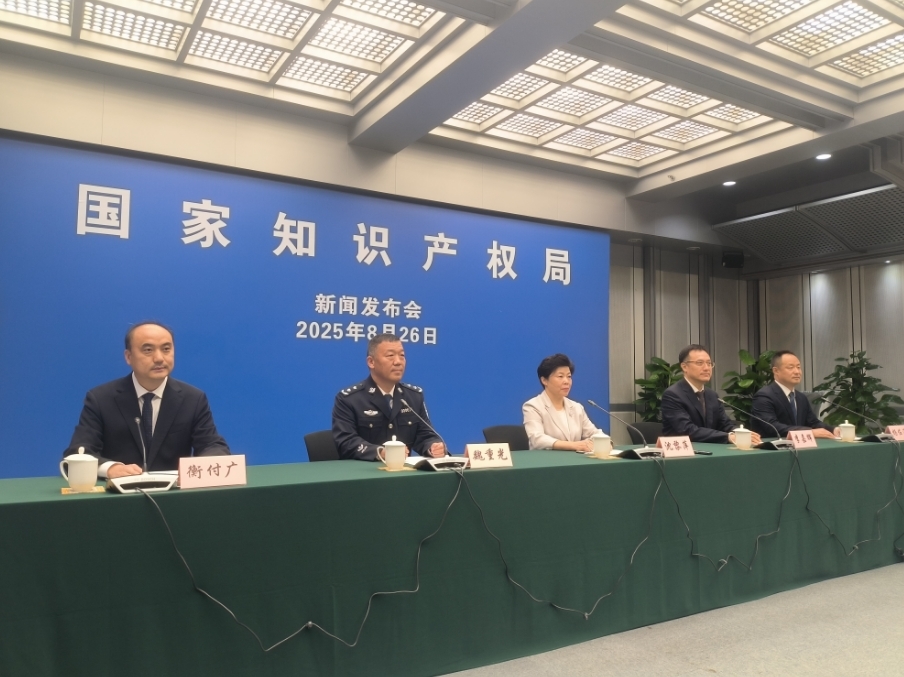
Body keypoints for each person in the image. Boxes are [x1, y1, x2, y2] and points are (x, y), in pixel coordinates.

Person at [63, 321, 229, 478]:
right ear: (129, 357)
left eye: (166, 349)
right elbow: (78, 453)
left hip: (173, 493)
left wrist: (203, 464)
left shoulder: (192, 399)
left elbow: (212, 445)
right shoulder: (101, 399)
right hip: (120, 493)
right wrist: (111, 468)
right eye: (148, 350)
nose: (159, 358)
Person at [332, 333, 446, 461]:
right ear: (371, 362)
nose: (398, 362)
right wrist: (380, 452)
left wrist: (433, 446)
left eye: (402, 355)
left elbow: (425, 435)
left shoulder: (414, 397)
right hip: (363, 471)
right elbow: (346, 442)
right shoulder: (349, 399)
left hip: (402, 471)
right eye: (390, 356)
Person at [661, 344, 761, 445]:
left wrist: (741, 433)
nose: (706, 368)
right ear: (684, 367)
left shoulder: (712, 395)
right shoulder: (673, 394)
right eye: (700, 363)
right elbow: (687, 430)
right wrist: (728, 437)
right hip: (682, 451)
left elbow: (725, 424)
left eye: (709, 363)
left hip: (710, 450)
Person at [750, 350, 839, 439]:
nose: (797, 372)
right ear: (776, 371)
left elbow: (813, 423)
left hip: (800, 445)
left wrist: (833, 430)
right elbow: (772, 427)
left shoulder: (801, 397)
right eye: (790, 367)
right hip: (771, 446)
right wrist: (808, 432)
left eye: (798, 367)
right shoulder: (764, 396)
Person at [522, 353, 601, 451]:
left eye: (569, 376)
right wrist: (573, 445)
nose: (566, 381)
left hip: (574, 459)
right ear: (544, 380)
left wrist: (606, 443)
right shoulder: (533, 406)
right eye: (560, 376)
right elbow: (537, 439)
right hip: (545, 459)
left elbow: (593, 433)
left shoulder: (577, 407)